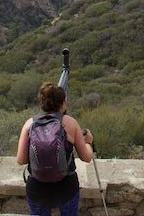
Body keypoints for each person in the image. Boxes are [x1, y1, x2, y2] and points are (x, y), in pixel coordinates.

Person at [17, 82, 94, 216]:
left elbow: (21, 160)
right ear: (63, 103)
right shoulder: (70, 123)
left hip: (37, 188)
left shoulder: (29, 124)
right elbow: (86, 157)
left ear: (42, 103)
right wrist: (89, 143)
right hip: (66, 188)